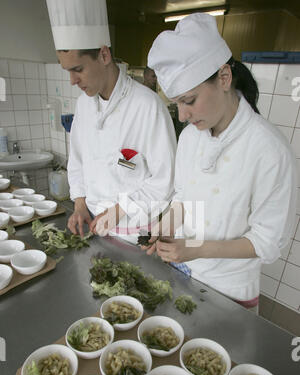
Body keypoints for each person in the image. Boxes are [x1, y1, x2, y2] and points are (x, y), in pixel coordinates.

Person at [144, 13, 297, 313]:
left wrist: (197, 249)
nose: (183, 116)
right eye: (177, 104)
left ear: (224, 77)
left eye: (189, 100)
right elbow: (183, 196)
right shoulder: (190, 137)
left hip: (231, 294)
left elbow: (267, 243)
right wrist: (166, 225)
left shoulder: (269, 150)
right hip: (182, 277)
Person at [46, 0, 176, 242]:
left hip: (133, 234)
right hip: (93, 228)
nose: (72, 81)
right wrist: (80, 204)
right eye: (68, 72)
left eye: (78, 69)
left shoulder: (147, 107)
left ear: (104, 54)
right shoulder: (84, 103)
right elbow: (78, 159)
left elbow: (164, 181)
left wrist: (120, 211)